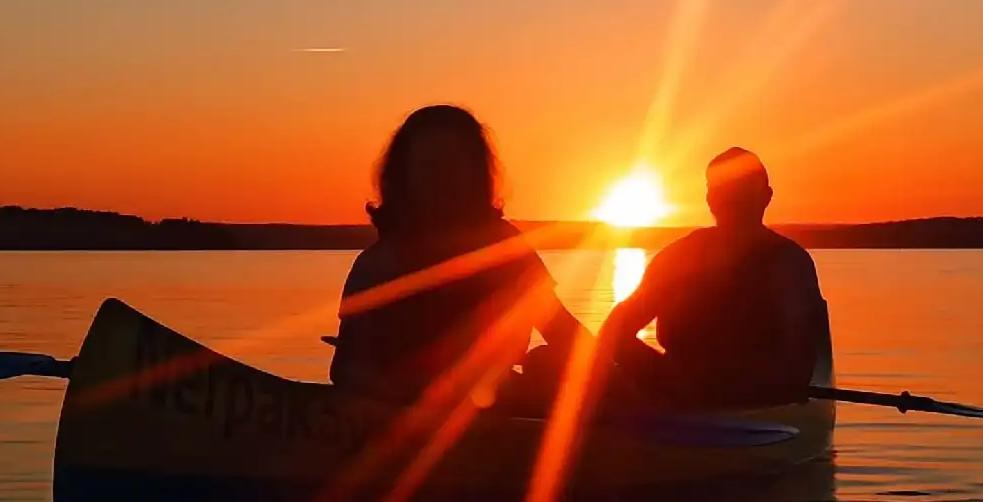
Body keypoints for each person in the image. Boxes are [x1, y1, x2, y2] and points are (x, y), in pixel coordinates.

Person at [329, 104, 586, 403]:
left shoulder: (503, 246)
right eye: (429, 166)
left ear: (474, 173)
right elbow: (345, 369)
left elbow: (560, 328)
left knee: (547, 362)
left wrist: (613, 377)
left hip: (495, 404)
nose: (442, 179)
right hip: (398, 413)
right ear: (403, 175)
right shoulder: (377, 264)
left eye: (454, 165)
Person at [599, 148, 831, 409]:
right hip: (683, 394)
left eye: (740, 193)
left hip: (737, 399)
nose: (734, 201)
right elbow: (614, 333)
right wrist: (671, 380)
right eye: (729, 193)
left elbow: (798, 367)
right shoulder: (679, 258)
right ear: (766, 197)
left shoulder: (786, 264)